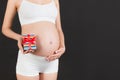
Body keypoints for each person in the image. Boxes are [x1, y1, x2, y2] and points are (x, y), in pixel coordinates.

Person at [2, 0, 66, 80]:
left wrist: (62, 46)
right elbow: (5, 28)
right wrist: (19, 37)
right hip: (29, 59)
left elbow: (58, 28)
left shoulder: (55, 0)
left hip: (52, 60)